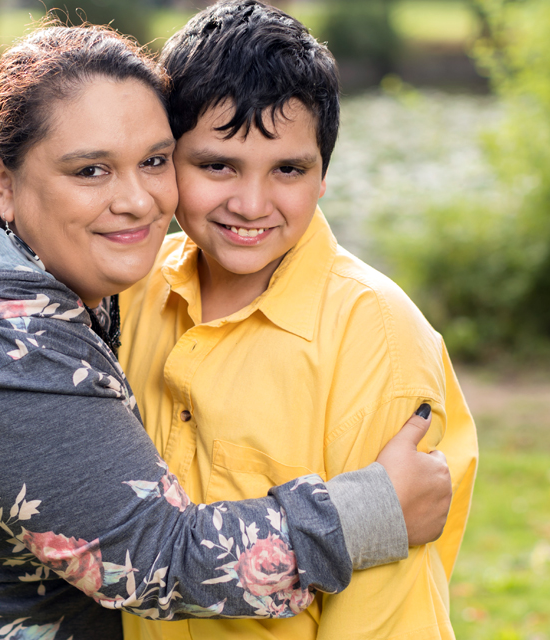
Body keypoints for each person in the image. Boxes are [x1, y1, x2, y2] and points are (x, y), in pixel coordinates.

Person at [0, 22, 452, 640]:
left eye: (154, 161)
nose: (137, 200)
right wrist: (369, 513)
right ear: (3, 178)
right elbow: (152, 555)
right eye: (91, 170)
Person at [118, 2, 479, 639]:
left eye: (288, 169)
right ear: (165, 159)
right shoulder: (130, 291)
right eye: (217, 165)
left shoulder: (377, 339)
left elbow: (386, 612)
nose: (251, 204)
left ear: (323, 175)